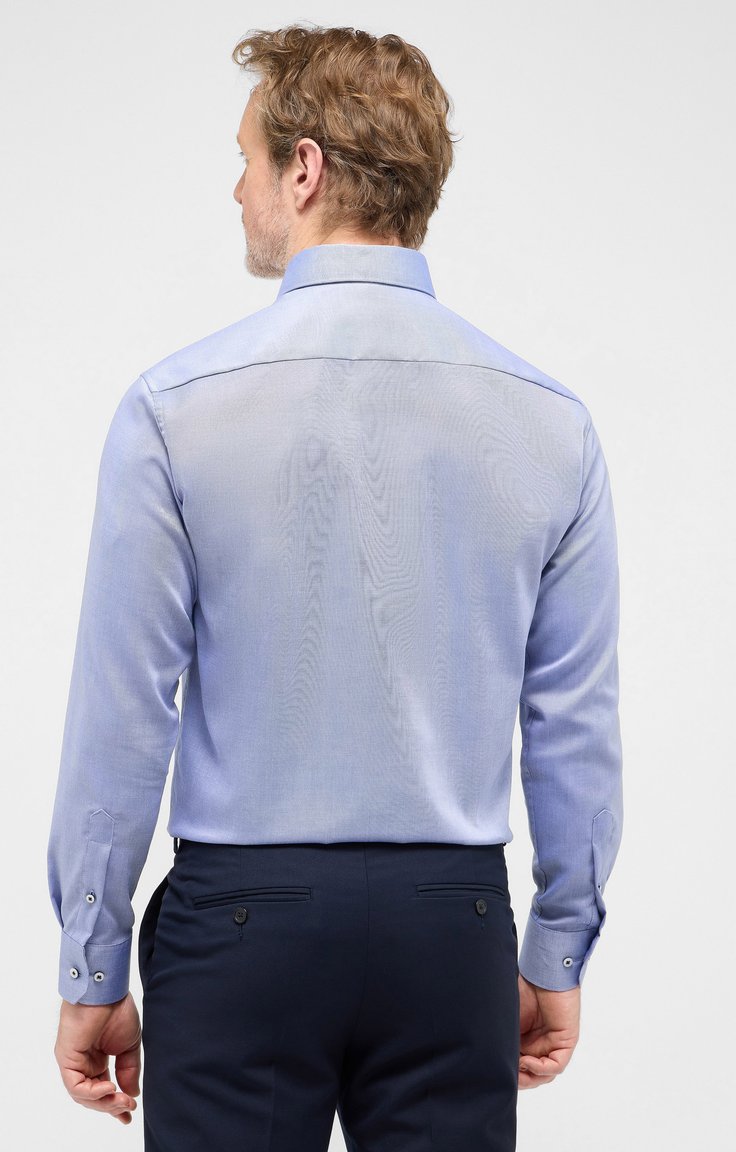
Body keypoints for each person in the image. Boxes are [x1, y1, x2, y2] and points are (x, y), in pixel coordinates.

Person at [48, 23, 623, 1151]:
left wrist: (91, 964)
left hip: (240, 929)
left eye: (248, 159)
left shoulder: (174, 411)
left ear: (303, 169)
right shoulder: (552, 424)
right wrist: (556, 949)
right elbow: (574, 723)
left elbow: (122, 717)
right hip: (450, 929)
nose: (238, 188)